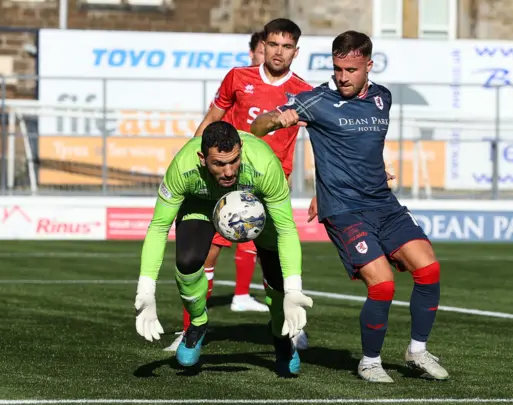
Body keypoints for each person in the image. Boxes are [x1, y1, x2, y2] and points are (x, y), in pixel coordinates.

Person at [250, 31, 449, 383]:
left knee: (429, 270)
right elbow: (257, 125)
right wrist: (274, 120)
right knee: (383, 285)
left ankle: (417, 351)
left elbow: (365, 145)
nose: (342, 77)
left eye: (351, 70)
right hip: (343, 209)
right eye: (337, 68)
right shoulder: (315, 101)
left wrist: (375, 168)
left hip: (383, 204)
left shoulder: (383, 98)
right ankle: (370, 361)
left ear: (368, 66)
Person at [166, 18, 313, 352]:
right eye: (273, 44)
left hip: (270, 186)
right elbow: (211, 120)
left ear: (296, 51)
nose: (278, 52)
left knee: (274, 262)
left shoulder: (305, 92)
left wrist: (322, 188)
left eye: (286, 46)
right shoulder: (238, 77)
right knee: (203, 253)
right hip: (227, 183)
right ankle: (190, 330)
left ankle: (289, 327)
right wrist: (191, 157)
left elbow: (321, 142)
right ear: (264, 45)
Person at [135, 121, 313, 376]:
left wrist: (294, 288)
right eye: (219, 164)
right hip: (201, 205)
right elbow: (158, 226)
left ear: (241, 149)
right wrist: (146, 288)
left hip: (256, 206)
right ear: (202, 158)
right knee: (187, 261)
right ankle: (197, 324)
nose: (229, 171)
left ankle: (281, 336)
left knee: (278, 277)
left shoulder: (264, 164)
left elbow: (286, 228)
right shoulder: (183, 166)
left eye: (234, 161)